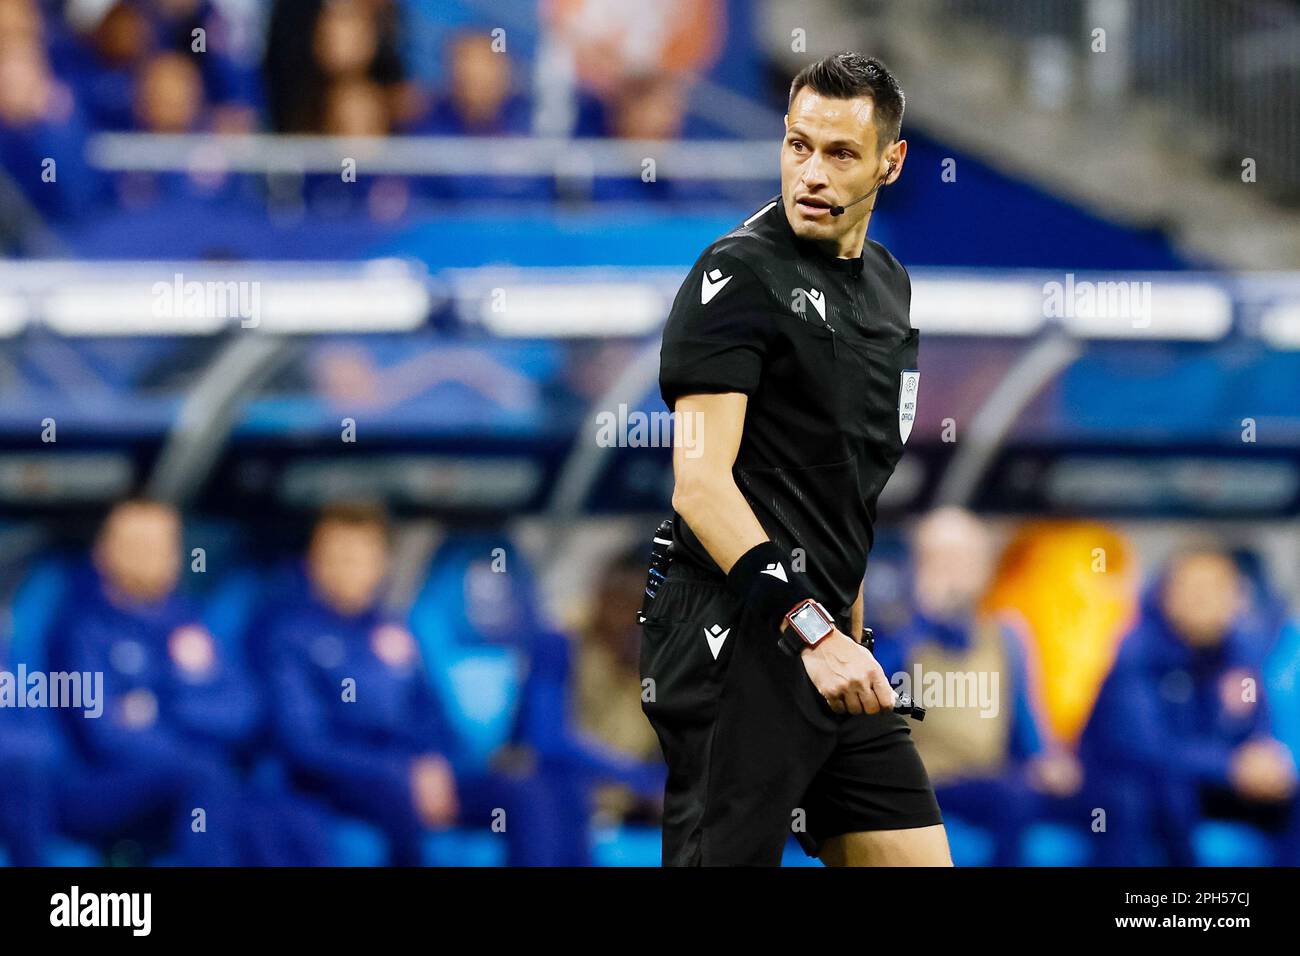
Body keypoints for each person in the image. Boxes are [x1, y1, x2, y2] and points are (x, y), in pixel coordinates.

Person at [640, 52, 949, 866]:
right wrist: (814, 632)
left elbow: (843, 497)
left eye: (841, 153)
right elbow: (701, 485)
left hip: (830, 641)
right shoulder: (734, 274)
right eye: (798, 145)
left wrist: (843, 629)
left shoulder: (889, 285)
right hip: (732, 634)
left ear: (892, 161)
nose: (812, 173)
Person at [265, 504, 584, 865]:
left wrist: (436, 764)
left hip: (416, 774)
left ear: (381, 564)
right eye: (335, 556)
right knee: (395, 794)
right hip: (345, 781)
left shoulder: (393, 632)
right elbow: (304, 742)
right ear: (312, 562)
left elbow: (430, 716)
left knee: (537, 792)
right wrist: (400, 771)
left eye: (358, 557)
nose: (345, 569)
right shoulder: (288, 635)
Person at [49, 498, 326, 866]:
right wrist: (193, 736)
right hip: (97, 789)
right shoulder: (79, 629)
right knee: (207, 780)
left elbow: (243, 711)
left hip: (197, 778)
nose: (153, 557)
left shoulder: (188, 623)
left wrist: (162, 704)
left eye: (163, 546)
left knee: (291, 817)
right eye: (139, 546)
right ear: (103, 552)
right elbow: (106, 736)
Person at [1080, 545, 1299, 865]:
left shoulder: (1241, 657)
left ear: (1238, 598)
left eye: (1217, 589)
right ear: (1166, 595)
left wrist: (1263, 760)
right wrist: (1229, 766)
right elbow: (1146, 748)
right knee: (1159, 796)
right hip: (1134, 782)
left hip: (1209, 782)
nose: (1204, 601)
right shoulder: (1136, 654)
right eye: (1192, 589)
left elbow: (1254, 725)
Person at [888, 508, 1081, 865]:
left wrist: (1044, 758)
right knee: (1012, 797)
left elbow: (1024, 717)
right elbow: (889, 698)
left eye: (964, 559)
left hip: (988, 776)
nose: (953, 570)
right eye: (939, 559)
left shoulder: (1007, 635)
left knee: (1109, 798)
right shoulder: (895, 631)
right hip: (922, 779)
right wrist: (927, 619)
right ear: (915, 566)